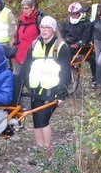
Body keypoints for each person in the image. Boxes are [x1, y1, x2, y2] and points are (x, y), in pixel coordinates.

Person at [22, 16, 71, 156]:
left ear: (54, 30)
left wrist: (62, 94)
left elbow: (65, 72)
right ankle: (39, 150)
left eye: (47, 27)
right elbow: (27, 66)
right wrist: (27, 83)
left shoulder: (61, 47)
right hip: (36, 89)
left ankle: (47, 151)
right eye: (42, 27)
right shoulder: (34, 45)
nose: (44, 30)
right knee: (36, 120)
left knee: (43, 119)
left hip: (53, 90)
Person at [60, 2, 96, 84]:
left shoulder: (86, 23)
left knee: (93, 59)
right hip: (66, 43)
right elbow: (61, 34)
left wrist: (77, 44)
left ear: (79, 13)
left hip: (80, 46)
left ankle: (96, 79)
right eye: (71, 13)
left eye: (75, 14)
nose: (72, 15)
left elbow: (85, 38)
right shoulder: (66, 22)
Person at [13, 0, 44, 74]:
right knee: (17, 80)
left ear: (32, 7)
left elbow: (44, 37)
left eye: (26, 8)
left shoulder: (39, 19)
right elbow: (17, 35)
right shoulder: (21, 19)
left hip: (32, 56)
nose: (24, 11)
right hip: (19, 55)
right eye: (23, 8)